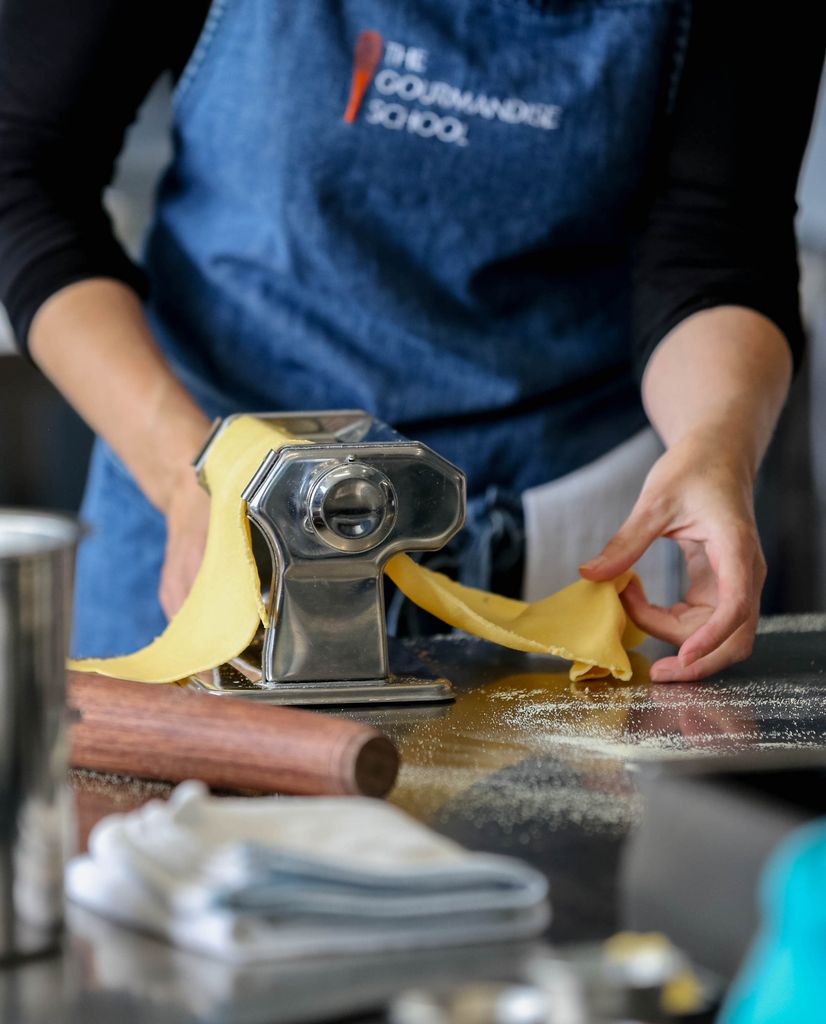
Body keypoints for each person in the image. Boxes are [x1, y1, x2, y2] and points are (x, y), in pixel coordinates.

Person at [0, 1, 823, 681]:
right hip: (206, 517)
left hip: (568, 556)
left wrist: (715, 441)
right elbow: (21, 169)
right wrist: (189, 475)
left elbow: (717, 244)